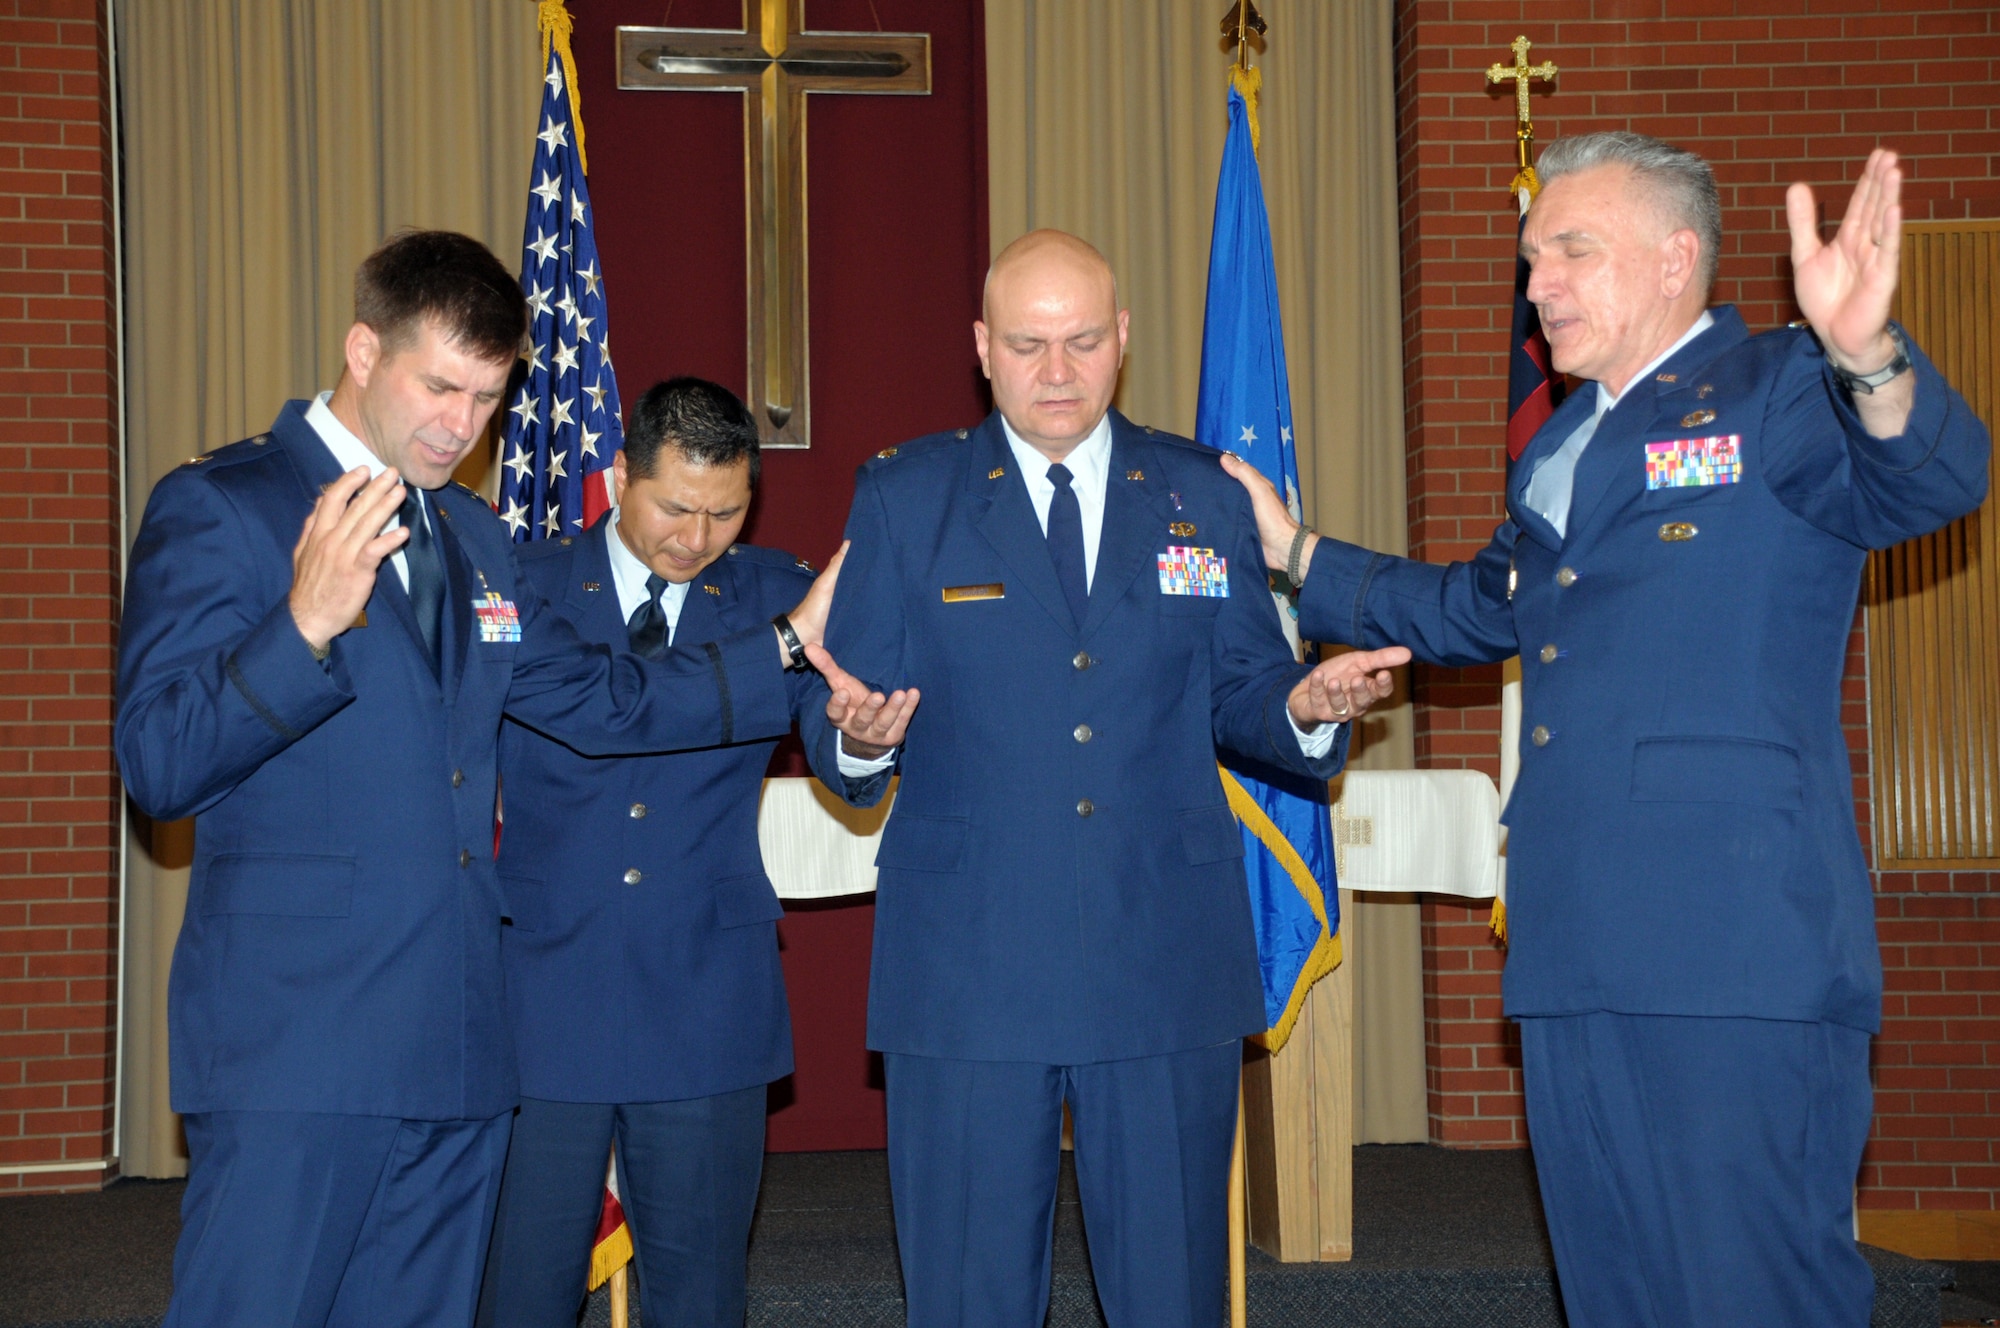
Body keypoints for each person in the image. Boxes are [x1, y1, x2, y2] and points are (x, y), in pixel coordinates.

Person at [1223, 137, 1990, 1325]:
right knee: (1616, 1291)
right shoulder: (1560, 445)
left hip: (1731, 946)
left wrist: (1867, 355)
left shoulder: (1782, 383)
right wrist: (1295, 555)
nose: (1537, 285)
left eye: (1572, 251)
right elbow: (1477, 610)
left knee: (1752, 1290)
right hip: (1574, 943)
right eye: (1531, 260)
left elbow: (1929, 484)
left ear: (1675, 259)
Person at [113, 232, 882, 1328]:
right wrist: (303, 625)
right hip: (300, 1042)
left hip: (466, 1036)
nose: (457, 425)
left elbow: (603, 704)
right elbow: (158, 763)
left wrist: (781, 651)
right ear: (362, 347)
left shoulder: (474, 536)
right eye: (437, 385)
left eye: (485, 396)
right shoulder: (228, 504)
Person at [813, 229, 1406, 1328]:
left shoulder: (1202, 492)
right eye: (1028, 343)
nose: (1055, 369)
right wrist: (855, 735)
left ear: (1122, 341)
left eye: (1081, 341)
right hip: (969, 961)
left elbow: (1241, 690)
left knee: (1170, 1286)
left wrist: (1302, 703)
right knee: (967, 1291)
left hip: (1161, 951)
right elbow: (844, 705)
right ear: (981, 347)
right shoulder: (907, 494)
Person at [475, 377, 915, 1328]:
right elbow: (608, 710)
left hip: (705, 986)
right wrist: (784, 648)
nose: (696, 536)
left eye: (725, 512)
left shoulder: (777, 590)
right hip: (540, 987)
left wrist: (865, 741)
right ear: (620, 474)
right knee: (519, 1288)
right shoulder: (524, 581)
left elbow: (842, 757)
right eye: (674, 506)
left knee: (702, 1292)